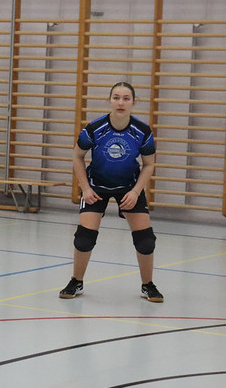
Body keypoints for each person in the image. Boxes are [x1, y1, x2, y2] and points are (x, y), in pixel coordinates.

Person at [59, 82, 164, 303]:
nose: (120, 103)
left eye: (126, 98)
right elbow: (77, 156)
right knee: (84, 239)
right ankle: (76, 280)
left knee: (145, 241)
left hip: (129, 187)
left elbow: (149, 164)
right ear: (109, 101)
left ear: (134, 102)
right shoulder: (94, 128)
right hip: (97, 186)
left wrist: (136, 192)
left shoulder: (142, 131)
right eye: (116, 97)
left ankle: (148, 285)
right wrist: (85, 188)